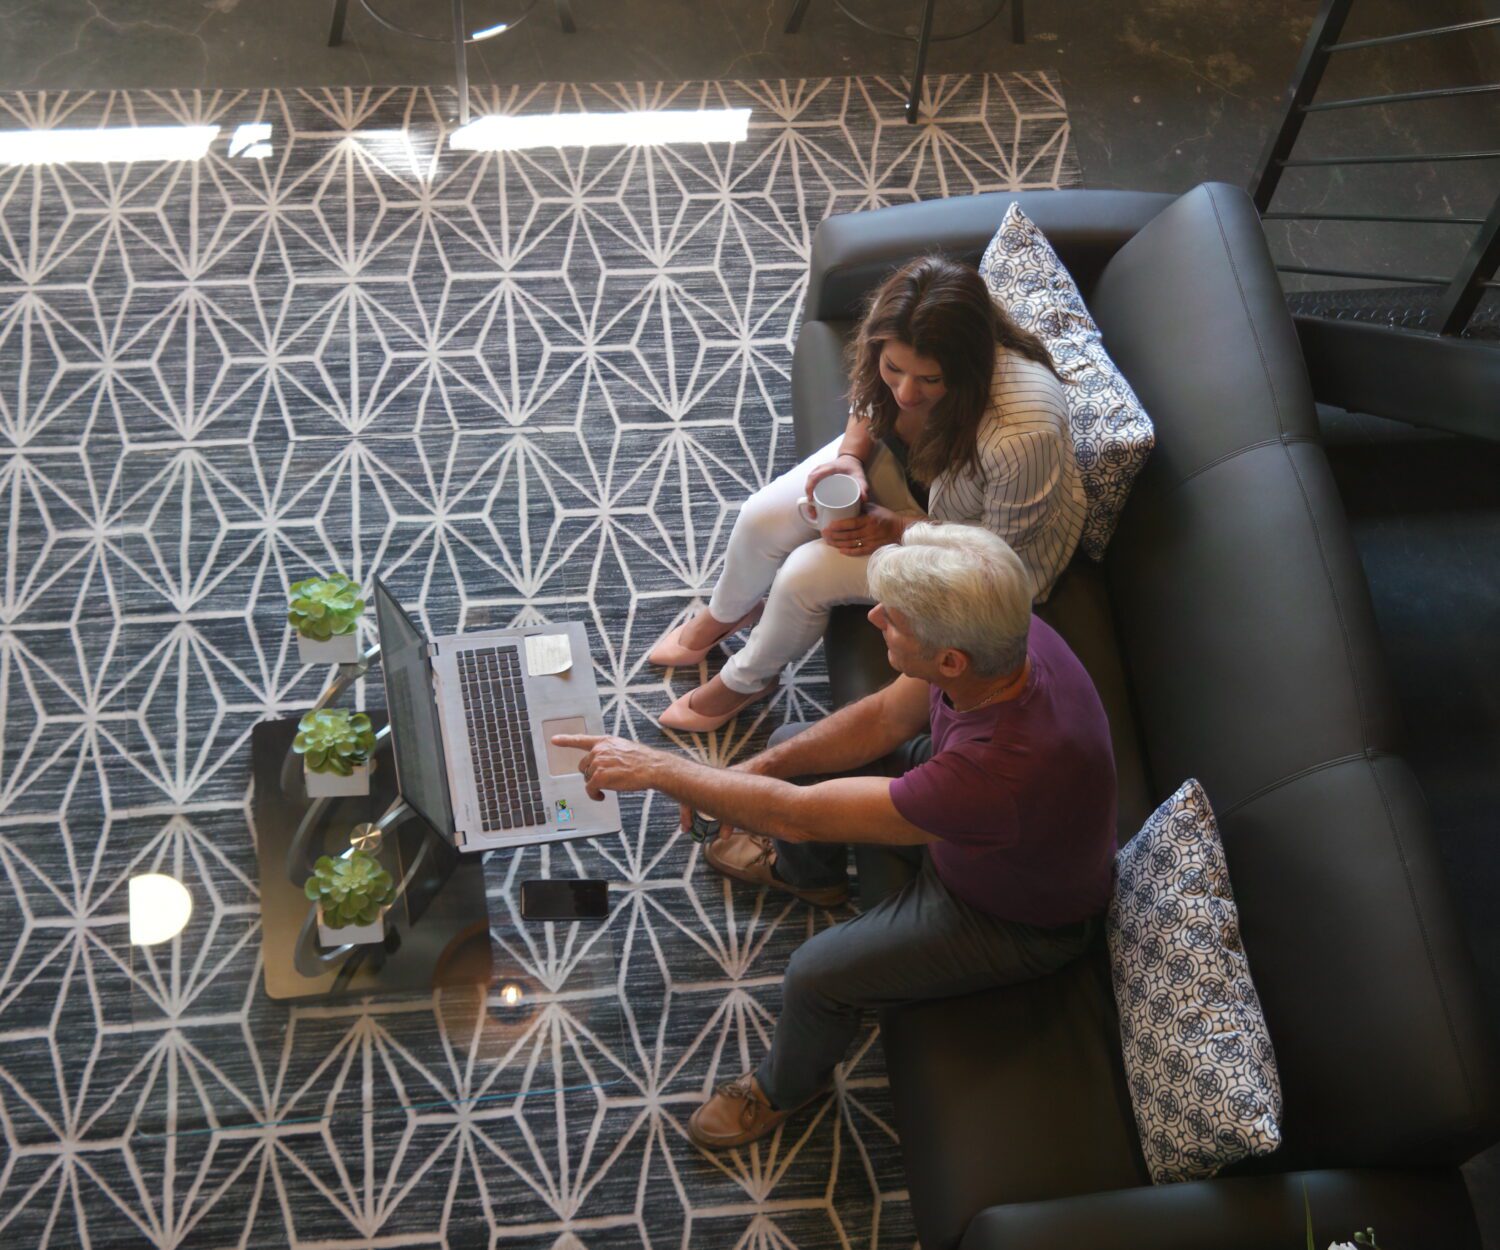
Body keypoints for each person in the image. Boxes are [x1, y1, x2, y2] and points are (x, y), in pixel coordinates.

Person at [554, 523, 1117, 1150]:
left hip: (1015, 916)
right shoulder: (1004, 633)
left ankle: (786, 1089)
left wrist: (663, 770)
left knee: (816, 976)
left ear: (949, 660)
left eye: (894, 620)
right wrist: (755, 771)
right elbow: (884, 717)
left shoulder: (996, 774)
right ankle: (808, 877)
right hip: (978, 820)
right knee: (785, 746)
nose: (874, 616)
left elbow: (800, 815)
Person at [647, 254, 1086, 733]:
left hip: (978, 555)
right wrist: (851, 458)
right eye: (894, 368)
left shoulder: (1021, 435)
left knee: (802, 576)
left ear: (968, 367)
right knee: (759, 518)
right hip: (912, 482)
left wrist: (896, 527)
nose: (905, 394)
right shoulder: (902, 323)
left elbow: (1000, 559)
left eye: (930, 380)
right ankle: (725, 614)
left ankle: (747, 679)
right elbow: (870, 393)